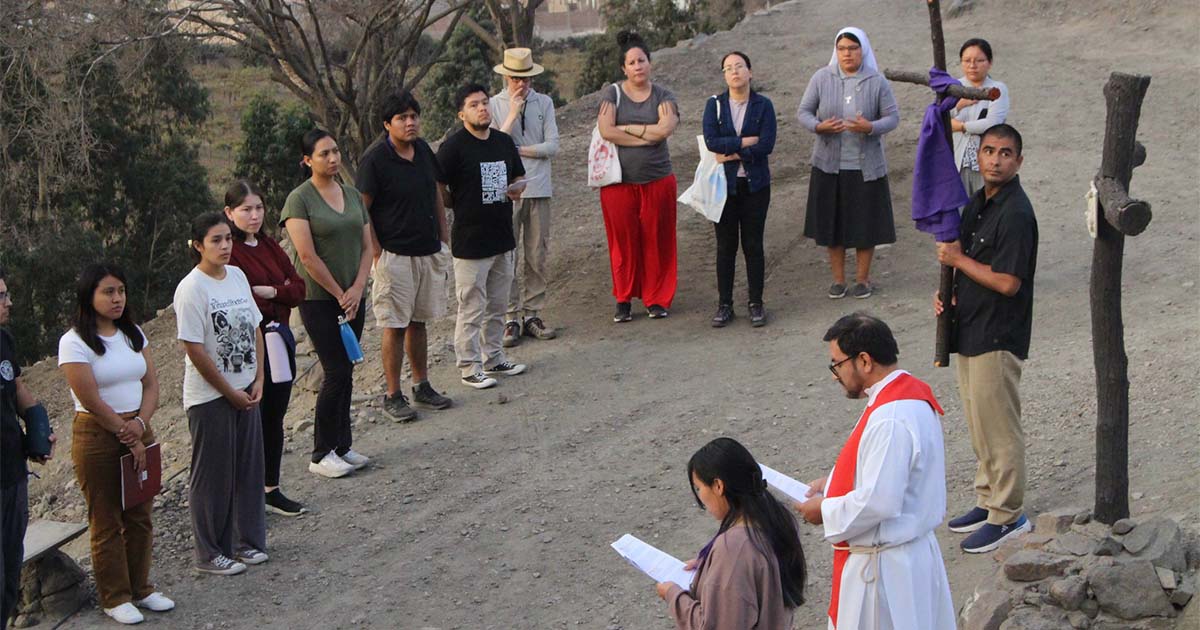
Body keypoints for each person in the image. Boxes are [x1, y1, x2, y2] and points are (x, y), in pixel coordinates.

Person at [795, 313, 955, 630]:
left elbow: (880, 501)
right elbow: (897, 472)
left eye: (836, 364)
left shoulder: (891, 417)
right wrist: (837, 480)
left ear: (864, 360)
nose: (834, 375)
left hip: (886, 572)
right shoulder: (907, 395)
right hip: (908, 557)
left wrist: (824, 510)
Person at [935, 123, 1037, 553]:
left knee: (999, 427)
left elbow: (1010, 282)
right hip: (971, 326)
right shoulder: (979, 200)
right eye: (989, 151)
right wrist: (948, 295)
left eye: (1005, 153)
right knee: (978, 423)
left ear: (1018, 160)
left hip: (998, 331)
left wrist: (957, 260)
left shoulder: (1016, 213)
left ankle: (1008, 514)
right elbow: (970, 263)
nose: (995, 160)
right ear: (978, 156)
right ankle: (987, 498)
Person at [58, 264, 173, 624]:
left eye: (121, 290)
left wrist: (140, 425)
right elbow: (89, 396)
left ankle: (141, 588)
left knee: (140, 514)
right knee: (106, 517)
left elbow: (151, 384)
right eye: (108, 292)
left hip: (138, 427)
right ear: (89, 296)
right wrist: (126, 433)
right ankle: (114, 595)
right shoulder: (74, 341)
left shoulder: (134, 333)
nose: (117, 298)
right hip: (97, 434)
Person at [356, 91, 454, 422]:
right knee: (394, 324)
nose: (410, 122)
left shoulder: (424, 150)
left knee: (419, 321)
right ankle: (393, 394)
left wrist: (443, 235)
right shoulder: (375, 160)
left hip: (426, 250)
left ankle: (421, 384)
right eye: (402, 118)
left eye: (413, 116)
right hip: (394, 255)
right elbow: (362, 208)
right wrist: (377, 251)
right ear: (387, 124)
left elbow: (436, 194)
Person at [282, 129, 374, 477]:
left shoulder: (351, 194)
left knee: (348, 368)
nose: (333, 158)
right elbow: (306, 256)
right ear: (307, 160)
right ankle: (321, 453)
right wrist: (340, 293)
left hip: (353, 296)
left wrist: (357, 288)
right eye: (324, 154)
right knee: (335, 370)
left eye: (335, 151)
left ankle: (343, 446)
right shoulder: (299, 200)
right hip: (320, 299)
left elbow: (367, 246)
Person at [655, 437, 806, 628]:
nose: (700, 497)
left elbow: (718, 625)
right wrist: (710, 567)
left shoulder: (734, 546)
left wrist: (672, 594)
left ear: (718, 486)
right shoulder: (777, 518)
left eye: (699, 488)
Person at [224, 180, 309, 516]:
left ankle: (270, 488)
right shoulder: (231, 252)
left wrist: (272, 291)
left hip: (280, 338)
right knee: (251, 418)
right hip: (249, 346)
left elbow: (298, 288)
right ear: (230, 213)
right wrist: (280, 290)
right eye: (246, 209)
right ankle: (244, 495)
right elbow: (243, 299)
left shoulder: (270, 245)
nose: (254, 215)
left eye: (259, 208)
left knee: (275, 415)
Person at [436, 83, 528, 390]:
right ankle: (468, 366)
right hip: (470, 241)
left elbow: (518, 173)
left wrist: (518, 187)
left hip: (502, 236)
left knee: (498, 304)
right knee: (471, 305)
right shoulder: (453, 147)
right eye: (474, 104)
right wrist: (453, 202)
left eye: (485, 102)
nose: (482, 108)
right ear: (462, 113)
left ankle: (494, 357)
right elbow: (437, 185)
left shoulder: (502, 141)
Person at [797, 27, 899, 300]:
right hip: (829, 165)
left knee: (865, 225)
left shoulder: (876, 81)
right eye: (842, 49)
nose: (847, 54)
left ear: (862, 50)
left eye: (853, 48)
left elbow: (892, 118)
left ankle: (863, 280)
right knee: (833, 223)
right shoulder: (821, 78)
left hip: (866, 166)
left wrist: (870, 127)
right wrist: (819, 126)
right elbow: (803, 112)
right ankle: (839, 281)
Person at [596, 30, 680, 322]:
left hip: (658, 179)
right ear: (623, 68)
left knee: (657, 239)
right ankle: (623, 299)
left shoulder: (663, 95)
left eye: (642, 60)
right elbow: (606, 130)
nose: (637, 66)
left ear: (650, 63)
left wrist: (627, 129)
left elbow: (666, 128)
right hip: (618, 183)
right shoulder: (613, 94)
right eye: (631, 62)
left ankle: (656, 298)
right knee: (623, 242)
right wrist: (646, 134)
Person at [488, 47, 561, 346]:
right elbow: (493, 145)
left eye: (527, 78)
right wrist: (513, 113)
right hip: (507, 189)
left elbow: (552, 145)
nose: (522, 84)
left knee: (536, 254)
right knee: (507, 255)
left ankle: (532, 313)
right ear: (506, 76)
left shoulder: (544, 102)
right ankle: (510, 317)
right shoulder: (493, 105)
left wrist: (517, 150)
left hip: (539, 186)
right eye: (517, 78)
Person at [701, 51, 777, 328]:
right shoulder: (715, 105)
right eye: (728, 68)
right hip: (724, 187)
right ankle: (725, 304)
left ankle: (756, 302)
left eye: (739, 66)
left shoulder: (764, 105)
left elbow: (766, 144)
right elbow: (712, 142)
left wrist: (731, 151)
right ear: (724, 75)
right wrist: (746, 144)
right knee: (725, 246)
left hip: (756, 185)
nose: (734, 72)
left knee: (753, 245)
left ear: (750, 71)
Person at [1, 268, 54, 630]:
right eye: (1, 297)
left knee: (8, 573)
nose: (9, 302)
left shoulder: (3, 339)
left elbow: (16, 387)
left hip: (11, 472)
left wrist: (37, 426)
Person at [951, 38, 1010, 197]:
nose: (972, 65)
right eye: (967, 60)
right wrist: (959, 105)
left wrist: (961, 126)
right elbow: (939, 118)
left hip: (986, 161)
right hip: (956, 160)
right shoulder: (953, 87)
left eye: (979, 60)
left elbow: (992, 123)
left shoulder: (997, 89)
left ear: (989, 62)